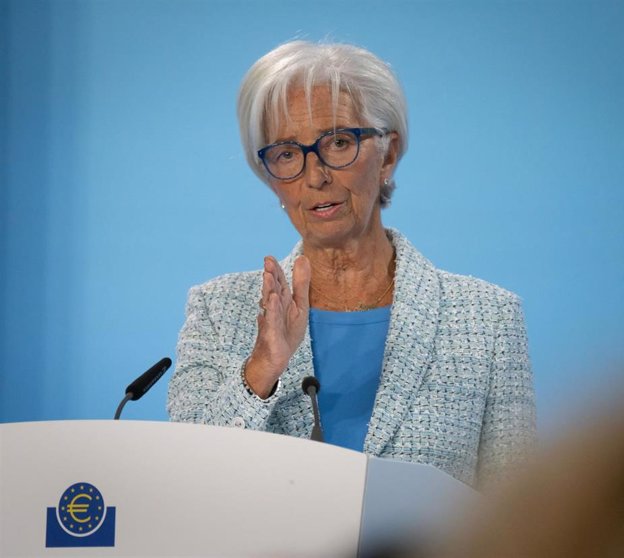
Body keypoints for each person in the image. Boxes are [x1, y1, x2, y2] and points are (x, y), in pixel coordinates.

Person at [167, 40, 536, 490]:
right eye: (286, 154)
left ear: (389, 152)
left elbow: (516, 508)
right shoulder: (218, 309)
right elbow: (186, 481)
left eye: (339, 142)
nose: (315, 175)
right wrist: (262, 368)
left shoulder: (487, 319)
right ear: (269, 177)